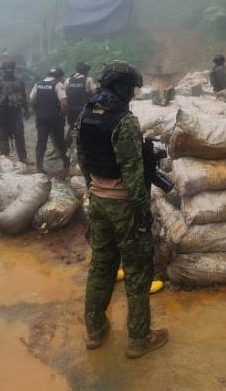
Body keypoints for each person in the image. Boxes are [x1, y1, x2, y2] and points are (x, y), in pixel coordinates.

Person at [76, 60, 168, 359]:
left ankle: (95, 330)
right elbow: (131, 171)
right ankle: (139, 339)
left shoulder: (86, 113)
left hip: (98, 201)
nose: (131, 93)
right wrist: (142, 210)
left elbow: (82, 158)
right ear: (122, 87)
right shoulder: (123, 121)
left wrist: (94, 188)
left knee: (101, 267)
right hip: (124, 206)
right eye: (130, 88)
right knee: (138, 272)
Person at [29, 67, 69, 173]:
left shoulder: (38, 84)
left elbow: (32, 100)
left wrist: (37, 110)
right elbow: (64, 103)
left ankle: (39, 167)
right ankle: (66, 164)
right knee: (60, 141)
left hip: (41, 118)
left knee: (41, 142)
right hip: (56, 118)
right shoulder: (58, 84)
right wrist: (64, 113)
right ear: (59, 76)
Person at [0, 60, 29, 164]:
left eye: (11, 68)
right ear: (3, 70)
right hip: (2, 114)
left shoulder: (19, 82)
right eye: (7, 69)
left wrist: (26, 109)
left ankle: (23, 158)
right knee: (3, 138)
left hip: (16, 113)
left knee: (19, 136)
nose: (9, 70)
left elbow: (23, 96)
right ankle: (5, 160)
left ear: (14, 69)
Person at [65, 61, 98, 148]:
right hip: (83, 109)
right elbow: (94, 93)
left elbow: (65, 94)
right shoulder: (88, 79)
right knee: (85, 126)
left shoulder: (68, 80)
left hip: (71, 109)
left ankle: (69, 145)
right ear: (85, 70)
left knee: (72, 126)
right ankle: (84, 146)